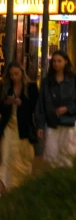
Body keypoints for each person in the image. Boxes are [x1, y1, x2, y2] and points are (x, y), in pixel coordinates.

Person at [35, 51, 76, 168]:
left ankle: (63, 182)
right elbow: (41, 104)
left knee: (66, 158)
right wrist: (40, 125)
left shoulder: (74, 79)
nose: (56, 64)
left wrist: (68, 108)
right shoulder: (47, 82)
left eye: (59, 61)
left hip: (70, 123)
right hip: (52, 123)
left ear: (65, 62)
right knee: (50, 157)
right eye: (54, 61)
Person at [0, 61, 39, 192]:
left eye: (16, 74)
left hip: (23, 128)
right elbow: (1, 107)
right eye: (11, 75)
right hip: (8, 127)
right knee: (5, 155)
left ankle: (20, 186)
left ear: (22, 73)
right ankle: (4, 187)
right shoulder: (5, 88)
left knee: (23, 159)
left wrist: (21, 103)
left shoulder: (31, 87)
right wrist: (6, 102)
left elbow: (35, 107)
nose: (14, 77)